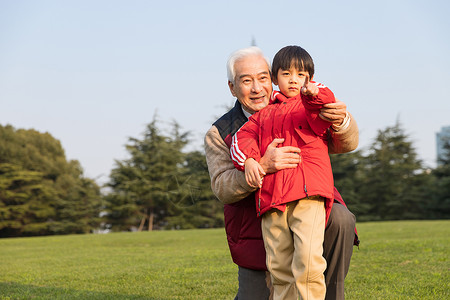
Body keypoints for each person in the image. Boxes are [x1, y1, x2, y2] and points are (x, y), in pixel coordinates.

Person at [204, 46, 359, 300]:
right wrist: (262, 166)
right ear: (232, 88)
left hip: (308, 199)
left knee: (340, 222)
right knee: (272, 284)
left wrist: (340, 119)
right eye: (246, 81)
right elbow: (222, 187)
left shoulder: (298, 104)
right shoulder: (221, 132)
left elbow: (344, 141)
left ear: (272, 78)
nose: (256, 88)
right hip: (257, 223)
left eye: (262, 78)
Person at [230, 45, 338, 299]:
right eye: (287, 74)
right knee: (279, 268)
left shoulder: (310, 106)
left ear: (310, 79)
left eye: (301, 75)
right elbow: (240, 139)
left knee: (308, 262)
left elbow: (326, 100)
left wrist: (314, 93)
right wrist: (249, 161)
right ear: (275, 77)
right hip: (271, 201)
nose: (294, 80)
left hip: (307, 197)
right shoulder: (262, 115)